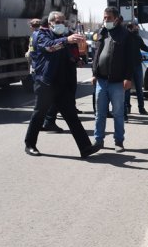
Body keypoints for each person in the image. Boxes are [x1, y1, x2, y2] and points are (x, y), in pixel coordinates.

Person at [24, 11, 100, 158]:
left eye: (63, 22)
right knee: (39, 114)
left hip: (60, 83)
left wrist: (75, 59)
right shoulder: (40, 35)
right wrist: (67, 40)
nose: (62, 25)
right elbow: (49, 47)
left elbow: (64, 55)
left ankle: (85, 148)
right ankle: (30, 144)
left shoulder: (59, 36)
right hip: (45, 82)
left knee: (71, 115)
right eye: (58, 22)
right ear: (50, 22)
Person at [91, 7, 134, 153]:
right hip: (101, 81)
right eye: (104, 17)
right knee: (100, 113)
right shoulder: (101, 33)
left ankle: (119, 142)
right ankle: (98, 141)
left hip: (117, 82)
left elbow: (130, 59)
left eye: (108, 18)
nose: (105, 20)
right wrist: (94, 73)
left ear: (116, 18)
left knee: (118, 113)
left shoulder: (125, 34)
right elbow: (96, 54)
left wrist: (128, 78)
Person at [124, 20, 148, 117]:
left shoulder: (137, 37)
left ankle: (141, 108)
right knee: (127, 89)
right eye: (136, 26)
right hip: (127, 66)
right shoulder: (125, 37)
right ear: (130, 27)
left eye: (137, 26)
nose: (137, 27)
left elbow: (144, 47)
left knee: (139, 88)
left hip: (137, 65)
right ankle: (127, 107)